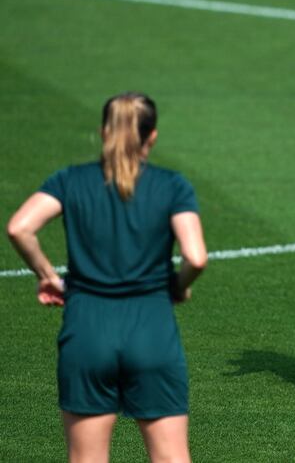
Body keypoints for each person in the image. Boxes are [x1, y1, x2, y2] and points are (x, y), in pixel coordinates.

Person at [7, 92, 207, 463]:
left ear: (104, 132)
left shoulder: (70, 180)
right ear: (152, 137)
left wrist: (47, 275)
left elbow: (20, 227)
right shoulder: (172, 186)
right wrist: (177, 287)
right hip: (152, 331)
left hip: (86, 332)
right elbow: (196, 256)